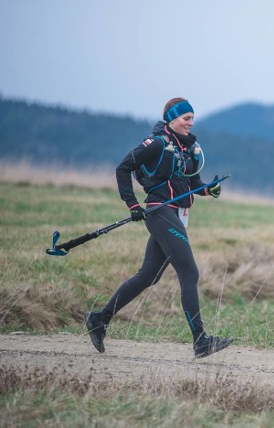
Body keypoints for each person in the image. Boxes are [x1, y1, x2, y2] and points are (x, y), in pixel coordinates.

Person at [84, 97, 233, 358]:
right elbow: (123, 168)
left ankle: (99, 319)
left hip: (177, 214)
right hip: (160, 211)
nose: (191, 123)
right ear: (172, 119)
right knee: (189, 273)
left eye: (192, 118)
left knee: (148, 276)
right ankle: (201, 340)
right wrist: (132, 204)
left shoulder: (188, 148)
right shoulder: (156, 144)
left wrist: (210, 189)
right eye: (186, 118)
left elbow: (194, 182)